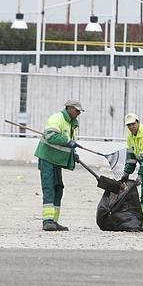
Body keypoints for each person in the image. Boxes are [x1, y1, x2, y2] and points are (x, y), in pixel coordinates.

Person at [34, 99, 83, 231]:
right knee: (49, 187)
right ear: (69, 108)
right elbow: (50, 136)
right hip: (48, 158)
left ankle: (54, 221)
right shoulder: (57, 118)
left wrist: (74, 153)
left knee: (58, 188)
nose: (78, 113)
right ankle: (47, 221)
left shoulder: (73, 124)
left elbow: (71, 142)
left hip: (57, 160)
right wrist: (67, 142)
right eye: (77, 110)